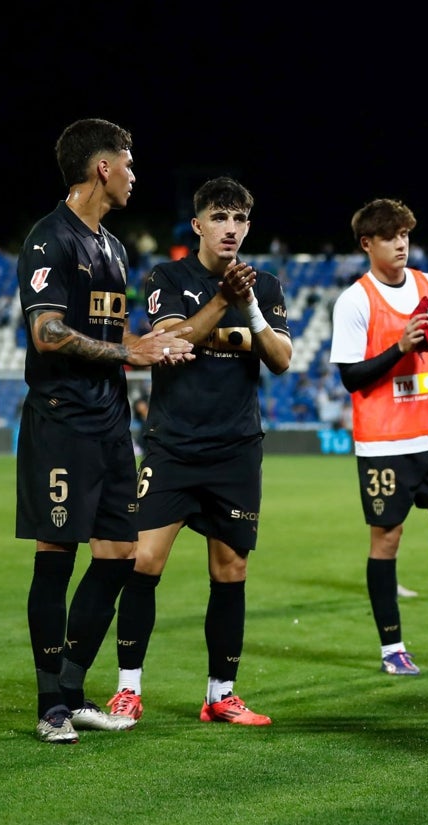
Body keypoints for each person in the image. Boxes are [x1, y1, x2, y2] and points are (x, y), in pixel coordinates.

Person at [16, 117, 194, 743]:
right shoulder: (50, 241)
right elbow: (47, 333)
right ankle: (49, 706)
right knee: (55, 558)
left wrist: (149, 344)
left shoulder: (113, 248)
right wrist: (129, 355)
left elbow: (115, 336)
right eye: (129, 162)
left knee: (119, 555)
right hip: (61, 423)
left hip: (113, 426)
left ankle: (72, 687)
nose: (133, 175)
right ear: (102, 168)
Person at [109, 176, 292, 726]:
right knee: (143, 561)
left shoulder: (269, 286)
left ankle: (220, 694)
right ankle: (128, 688)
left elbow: (281, 359)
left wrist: (250, 307)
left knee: (230, 569)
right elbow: (170, 341)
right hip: (173, 446)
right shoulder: (167, 277)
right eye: (220, 217)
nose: (230, 228)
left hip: (236, 450)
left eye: (239, 218)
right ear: (198, 225)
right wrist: (223, 300)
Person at [329, 198, 428, 677]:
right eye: (390, 237)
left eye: (405, 235)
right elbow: (352, 378)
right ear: (367, 244)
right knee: (387, 539)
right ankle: (391, 648)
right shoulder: (355, 300)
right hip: (383, 444)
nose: (401, 244)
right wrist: (399, 347)